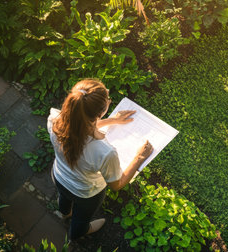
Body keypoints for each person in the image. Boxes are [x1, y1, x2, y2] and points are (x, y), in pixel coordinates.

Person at [47, 78, 153, 240]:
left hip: (59, 177)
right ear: (100, 112)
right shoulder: (104, 152)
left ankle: (64, 213)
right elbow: (117, 184)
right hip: (84, 193)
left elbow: (78, 125)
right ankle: (78, 232)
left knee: (64, 197)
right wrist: (139, 158)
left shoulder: (55, 120)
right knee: (81, 218)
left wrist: (112, 120)